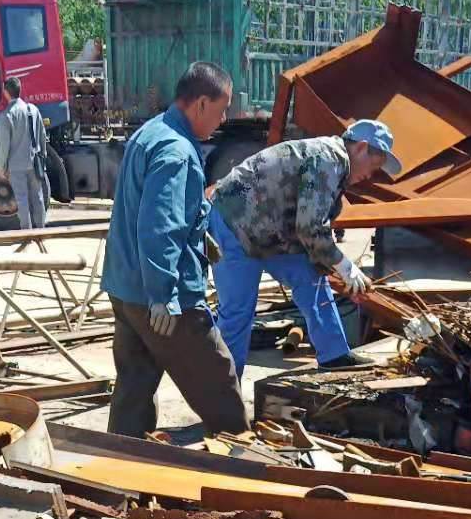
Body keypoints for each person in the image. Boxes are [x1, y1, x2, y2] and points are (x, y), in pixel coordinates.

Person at [101, 61, 249, 438]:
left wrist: (199, 239)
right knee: (217, 380)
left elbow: (149, 211)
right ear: (201, 104)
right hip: (164, 297)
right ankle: (245, 458)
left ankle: (121, 458)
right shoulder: (176, 150)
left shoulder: (151, 133)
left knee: (134, 388)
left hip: (126, 288)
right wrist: (163, 294)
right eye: (222, 109)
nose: (223, 119)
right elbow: (159, 226)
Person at [207, 120, 402, 374]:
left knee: (313, 279)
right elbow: (311, 228)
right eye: (373, 166)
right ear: (361, 148)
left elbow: (311, 234)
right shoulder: (327, 159)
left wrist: (340, 274)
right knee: (237, 312)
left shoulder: (335, 170)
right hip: (234, 225)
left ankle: (334, 356)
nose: (370, 175)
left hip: (272, 232)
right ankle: (224, 388)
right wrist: (346, 268)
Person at [0, 76, 51, 229]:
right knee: (38, 197)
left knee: (22, 199)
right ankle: (40, 231)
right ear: (19, 90)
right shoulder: (33, 109)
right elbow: (42, 136)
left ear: (6, 92)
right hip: (35, 162)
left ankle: (26, 233)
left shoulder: (7, 115)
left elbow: (4, 145)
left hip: (16, 165)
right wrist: (43, 158)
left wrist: (2, 167)